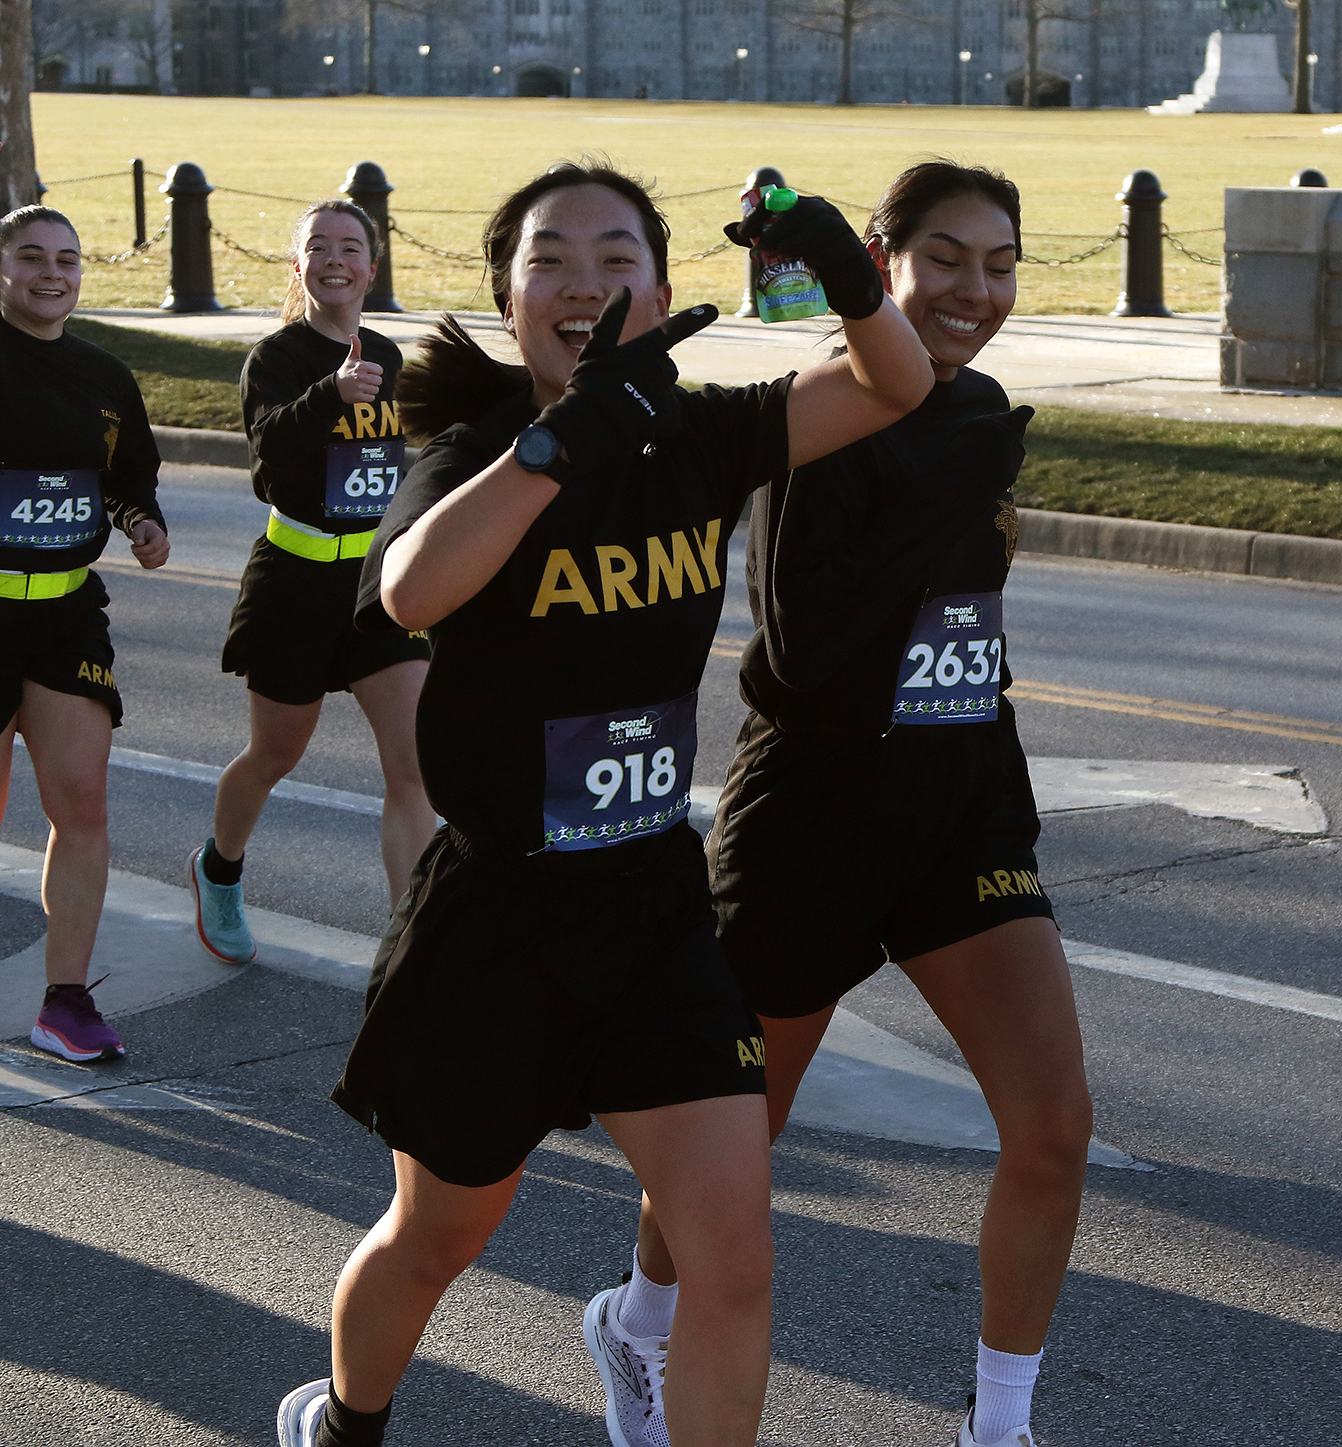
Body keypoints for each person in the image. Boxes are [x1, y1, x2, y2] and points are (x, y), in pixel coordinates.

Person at [274, 160, 932, 1447]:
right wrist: (557, 442)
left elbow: (893, 382)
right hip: (497, 916)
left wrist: (848, 274)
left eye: (617, 256)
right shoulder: (473, 454)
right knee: (440, 1234)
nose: (585, 282)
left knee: (733, 1259)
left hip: (652, 907)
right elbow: (410, 590)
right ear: (509, 296)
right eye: (552, 260)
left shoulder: (703, 436)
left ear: (667, 291)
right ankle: (348, 1423)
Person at [582, 161, 1088, 1447]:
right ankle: (638, 1324)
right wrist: (949, 461)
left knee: (1052, 1125)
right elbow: (805, 650)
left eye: (999, 262)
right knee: (734, 1147)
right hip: (812, 811)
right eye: (947, 258)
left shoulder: (979, 412)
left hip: (963, 800)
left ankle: (1001, 1422)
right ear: (880, 258)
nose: (976, 288)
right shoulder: (829, 412)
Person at [189, 201, 432, 963]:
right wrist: (330, 395)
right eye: (318, 248)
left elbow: (407, 462)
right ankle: (218, 868)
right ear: (299, 266)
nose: (336, 259)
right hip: (294, 580)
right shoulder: (276, 358)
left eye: (350, 247)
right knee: (274, 755)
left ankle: (410, 948)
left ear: (371, 265)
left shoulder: (390, 355)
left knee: (413, 765)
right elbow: (266, 460)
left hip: (377, 588)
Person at [0, 205, 170, 1063]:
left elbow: (128, 477)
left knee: (83, 798)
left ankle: (64, 1002)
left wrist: (142, 522)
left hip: (66, 608)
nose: (51, 272)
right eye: (31, 257)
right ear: (2, 268)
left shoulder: (104, 374)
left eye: (66, 258)